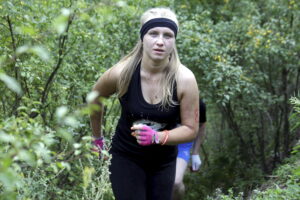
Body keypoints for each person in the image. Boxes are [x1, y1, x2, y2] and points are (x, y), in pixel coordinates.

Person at [90, 7, 199, 200]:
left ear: (174, 41)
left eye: (168, 35)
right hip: (126, 157)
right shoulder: (121, 73)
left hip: (163, 162)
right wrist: (97, 139)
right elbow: (95, 98)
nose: (160, 41)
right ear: (142, 37)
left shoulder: (185, 79)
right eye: (153, 33)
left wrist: (158, 137)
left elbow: (191, 129)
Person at [172, 99, 207, 200]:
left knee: (176, 183)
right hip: (162, 142)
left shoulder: (199, 104)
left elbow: (202, 125)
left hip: (183, 145)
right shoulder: (166, 98)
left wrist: (195, 153)